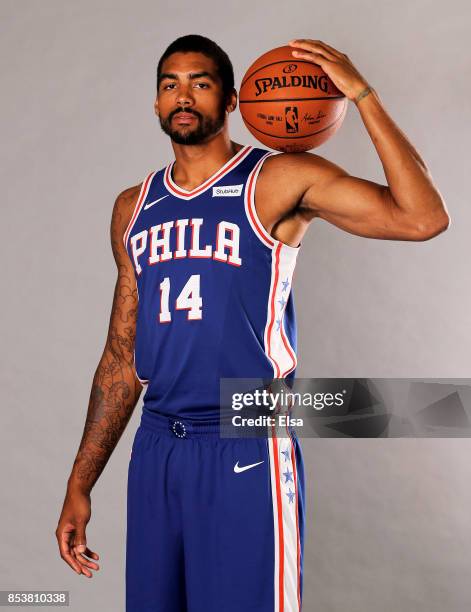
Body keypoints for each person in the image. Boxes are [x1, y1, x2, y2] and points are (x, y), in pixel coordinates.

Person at [55, 34, 449, 612]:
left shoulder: (281, 179)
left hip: (247, 434)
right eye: (170, 85)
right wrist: (80, 482)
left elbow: (423, 218)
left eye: (201, 83)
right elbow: (121, 356)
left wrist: (362, 95)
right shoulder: (132, 207)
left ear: (234, 100)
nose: (183, 96)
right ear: (157, 104)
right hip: (159, 445)